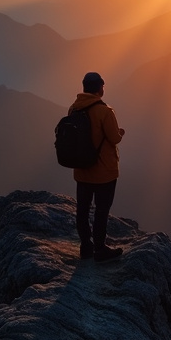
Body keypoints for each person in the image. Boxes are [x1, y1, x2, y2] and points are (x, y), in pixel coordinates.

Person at [69, 72, 125, 262]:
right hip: (104, 172)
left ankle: (86, 247)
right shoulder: (105, 111)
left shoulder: (74, 109)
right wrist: (120, 132)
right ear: (99, 88)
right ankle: (100, 249)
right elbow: (114, 138)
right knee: (101, 210)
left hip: (82, 169)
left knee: (82, 210)